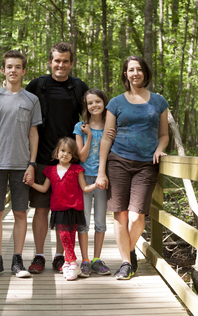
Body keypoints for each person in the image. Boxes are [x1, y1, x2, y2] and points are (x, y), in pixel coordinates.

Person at [0, 42, 115, 274]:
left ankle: (61, 256)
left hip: (70, 161)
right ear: (50, 62)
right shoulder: (37, 85)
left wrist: (111, 126)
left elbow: (95, 109)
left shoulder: (79, 87)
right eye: (56, 60)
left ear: (71, 64)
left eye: (65, 61)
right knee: (41, 209)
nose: (60, 65)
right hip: (42, 157)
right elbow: (14, 100)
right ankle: (39, 255)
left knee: (65, 210)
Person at [96, 55, 169, 280]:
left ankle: (127, 252)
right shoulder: (116, 103)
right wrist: (101, 170)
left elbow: (164, 135)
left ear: (145, 73)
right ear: (125, 74)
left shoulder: (158, 102)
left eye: (139, 69)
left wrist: (160, 148)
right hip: (118, 161)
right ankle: (127, 263)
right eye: (130, 70)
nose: (135, 73)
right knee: (121, 215)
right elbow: (107, 138)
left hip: (147, 163)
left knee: (137, 217)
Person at [0, 50, 41, 278]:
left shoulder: (31, 99)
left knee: (20, 212)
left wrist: (32, 164)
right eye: (9, 66)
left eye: (18, 67)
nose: (13, 70)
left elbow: (33, 134)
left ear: (24, 71)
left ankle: (18, 261)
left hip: (21, 163)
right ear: (3, 70)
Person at [26, 137, 98, 281]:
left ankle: (68, 263)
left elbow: (84, 188)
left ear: (73, 156)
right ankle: (72, 263)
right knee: (64, 236)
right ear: (57, 152)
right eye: (63, 151)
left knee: (69, 237)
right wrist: (32, 184)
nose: (65, 154)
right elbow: (44, 188)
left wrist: (96, 184)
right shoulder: (50, 170)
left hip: (74, 208)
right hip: (58, 209)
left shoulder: (77, 170)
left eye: (69, 152)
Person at [73, 89, 111, 277]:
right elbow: (81, 155)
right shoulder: (80, 126)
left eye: (98, 101)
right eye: (90, 103)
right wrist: (88, 135)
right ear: (86, 106)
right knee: (84, 220)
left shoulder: (111, 126)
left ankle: (97, 259)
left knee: (100, 221)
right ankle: (85, 260)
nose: (94, 105)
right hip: (84, 177)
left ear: (104, 103)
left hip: (103, 177)